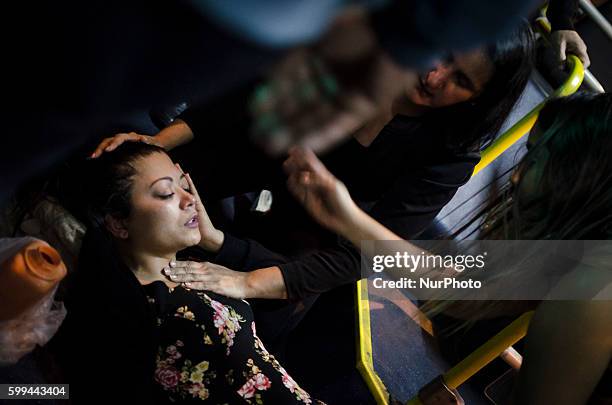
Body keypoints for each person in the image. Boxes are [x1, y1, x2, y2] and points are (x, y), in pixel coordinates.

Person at [93, 25, 536, 311]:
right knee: (128, 171)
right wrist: (156, 145)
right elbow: (247, 104)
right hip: (259, 149)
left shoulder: (448, 156)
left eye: (461, 80)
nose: (435, 77)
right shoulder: (364, 51)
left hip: (319, 239)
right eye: (443, 55)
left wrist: (247, 283)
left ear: (478, 98)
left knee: (269, 306)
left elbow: (360, 256)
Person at [280, 92, 612, 404]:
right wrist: (346, 217)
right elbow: (459, 291)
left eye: (536, 156)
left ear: (581, 174)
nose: (516, 176)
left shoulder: (593, 291)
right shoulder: (580, 256)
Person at [55, 142, 322, 404]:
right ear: (118, 222)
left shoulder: (197, 267)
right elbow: (52, 389)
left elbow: (297, 285)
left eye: (185, 185)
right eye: (166, 193)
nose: (190, 199)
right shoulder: (142, 311)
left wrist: (216, 240)